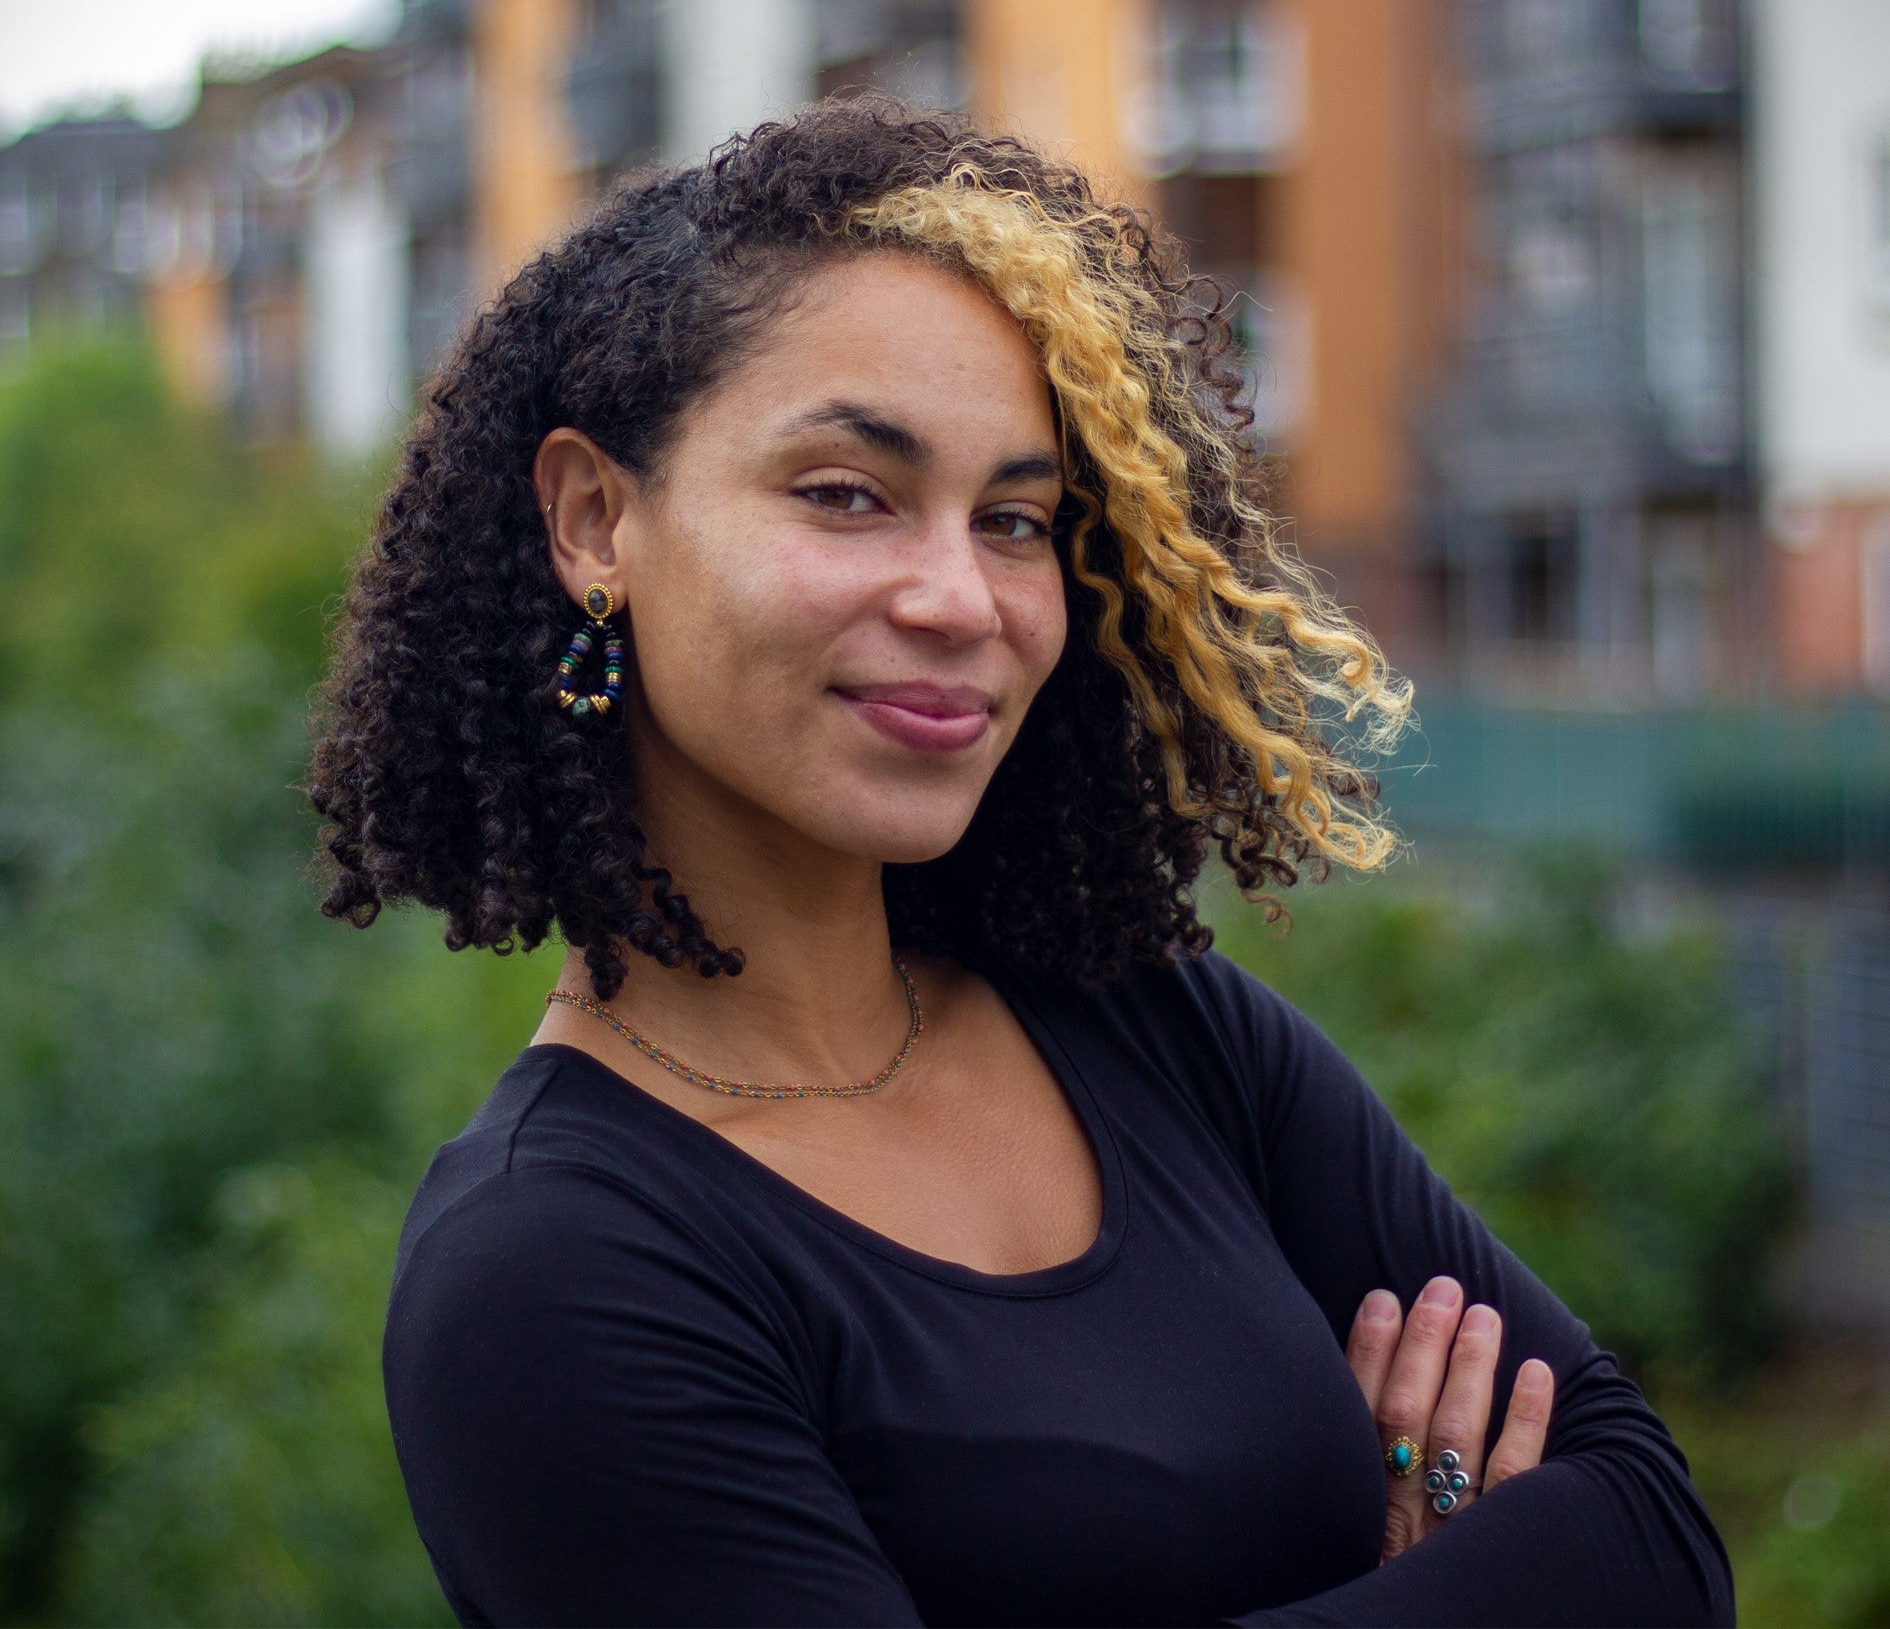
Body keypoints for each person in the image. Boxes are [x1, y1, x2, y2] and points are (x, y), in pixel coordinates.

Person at [308, 98, 1732, 1627]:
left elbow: (1654, 1538)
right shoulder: (551, 1269)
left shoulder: (1154, 1025)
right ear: (596, 520)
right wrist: (1449, 1578)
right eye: (846, 493)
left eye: (1013, 517)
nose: (961, 597)